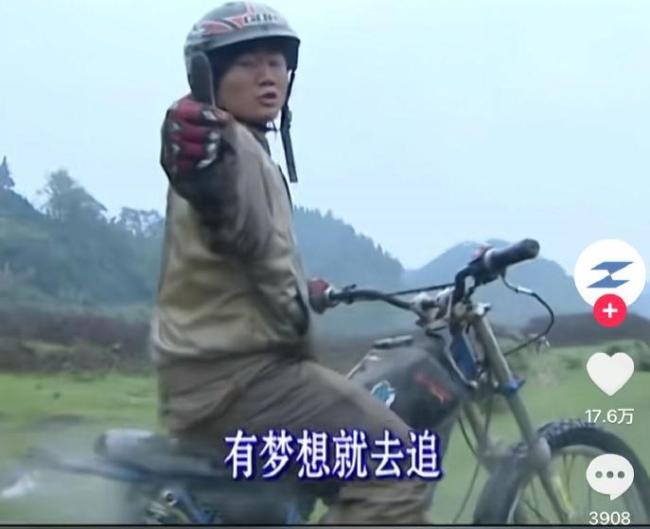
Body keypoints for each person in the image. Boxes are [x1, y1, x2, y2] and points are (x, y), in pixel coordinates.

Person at [150, 1, 433, 523]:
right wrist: (194, 160)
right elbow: (213, 186)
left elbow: (247, 249)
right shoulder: (225, 146)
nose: (267, 76)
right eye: (247, 63)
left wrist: (306, 289)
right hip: (241, 384)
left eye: (275, 62)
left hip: (209, 381)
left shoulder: (251, 148)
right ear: (209, 77)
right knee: (400, 463)